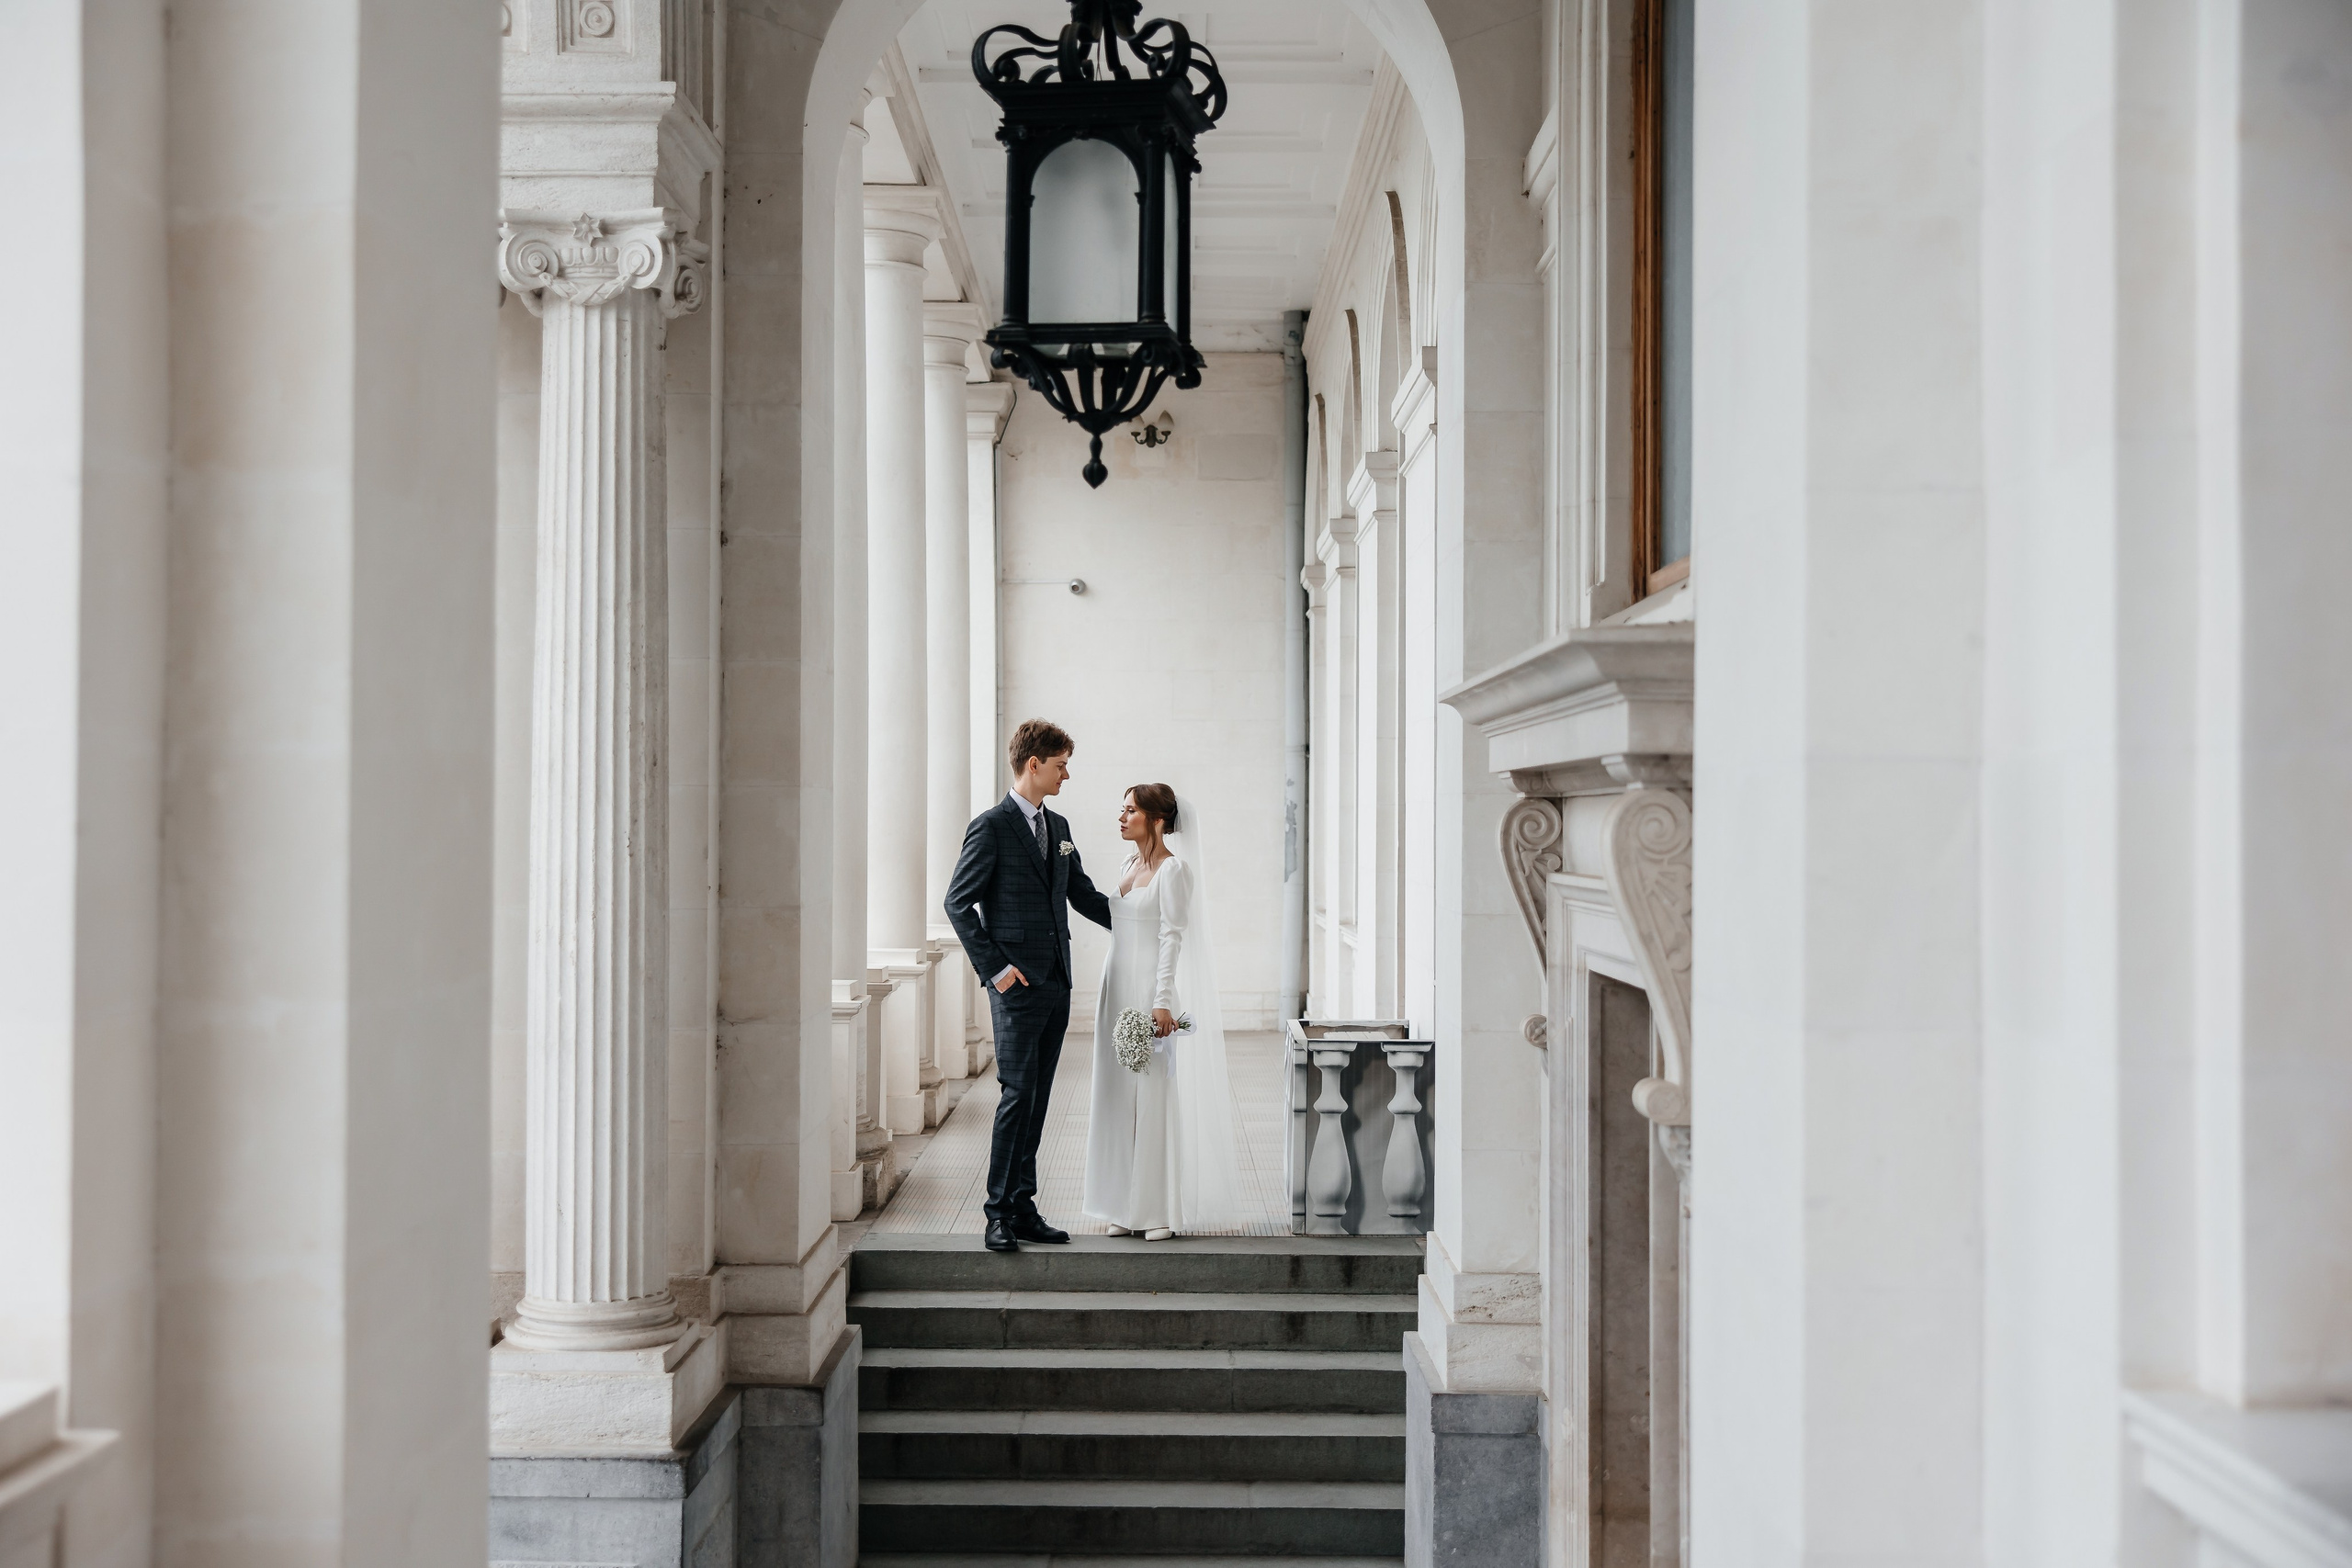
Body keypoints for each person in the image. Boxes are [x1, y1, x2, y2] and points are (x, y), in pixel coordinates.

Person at [942, 719, 1114, 1252]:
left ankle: (1022, 1206)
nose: (1067, 774)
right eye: (1061, 765)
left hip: (1056, 981)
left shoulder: (1059, 828)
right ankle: (996, 1212)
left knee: (1037, 1098)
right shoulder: (990, 827)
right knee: (1016, 1095)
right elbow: (957, 903)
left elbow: (1082, 894)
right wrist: (996, 969)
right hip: (1015, 987)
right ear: (1033, 764)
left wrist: (1142, 921)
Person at [1080, 784, 1244, 1238]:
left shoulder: (1174, 871)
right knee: (1115, 1095)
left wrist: (1163, 999)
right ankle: (1120, 1206)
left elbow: (1173, 936)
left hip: (1148, 991)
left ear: (1155, 819)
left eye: (1130, 810)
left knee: (1151, 1096)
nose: (1121, 816)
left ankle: (1155, 1212)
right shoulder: (1128, 864)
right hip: (1115, 987)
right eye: (1122, 808)